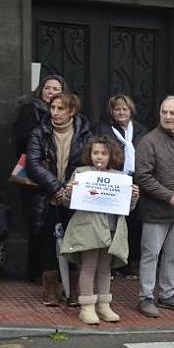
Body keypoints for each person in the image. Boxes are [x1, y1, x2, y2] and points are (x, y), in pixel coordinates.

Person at [61, 137, 140, 324]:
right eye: (95, 152)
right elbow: (67, 203)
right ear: (89, 154)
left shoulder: (119, 177)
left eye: (104, 153)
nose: (99, 157)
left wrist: (133, 197)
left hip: (112, 228)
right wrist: (70, 191)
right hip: (88, 228)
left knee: (105, 269)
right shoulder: (81, 173)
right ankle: (87, 307)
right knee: (88, 266)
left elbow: (127, 208)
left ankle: (104, 305)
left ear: (111, 156)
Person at [27, 93, 92, 306]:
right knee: (47, 241)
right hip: (47, 196)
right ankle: (51, 290)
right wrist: (56, 188)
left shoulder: (85, 134)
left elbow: (90, 162)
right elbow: (34, 164)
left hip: (75, 198)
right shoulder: (40, 132)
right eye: (52, 107)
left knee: (74, 242)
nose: (55, 112)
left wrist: (72, 189)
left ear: (71, 110)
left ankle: (73, 289)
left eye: (60, 108)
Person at [134, 96, 174, 318]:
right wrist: (169, 196)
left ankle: (168, 295)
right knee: (151, 254)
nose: (167, 116)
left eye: (172, 113)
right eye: (164, 112)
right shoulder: (149, 141)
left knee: (173, 255)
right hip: (156, 210)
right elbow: (143, 176)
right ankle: (146, 297)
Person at [14, 74, 69, 282]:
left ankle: (54, 271)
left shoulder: (68, 116)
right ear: (41, 90)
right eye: (48, 88)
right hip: (34, 178)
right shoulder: (30, 111)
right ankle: (36, 272)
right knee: (36, 224)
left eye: (56, 88)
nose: (51, 92)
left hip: (58, 178)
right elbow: (22, 140)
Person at [94, 94, 149, 278]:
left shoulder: (141, 131)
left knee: (134, 224)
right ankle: (109, 266)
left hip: (136, 182)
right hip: (113, 181)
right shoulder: (104, 130)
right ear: (111, 111)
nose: (121, 112)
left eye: (124, 109)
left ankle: (129, 263)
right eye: (117, 109)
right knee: (111, 224)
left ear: (131, 111)